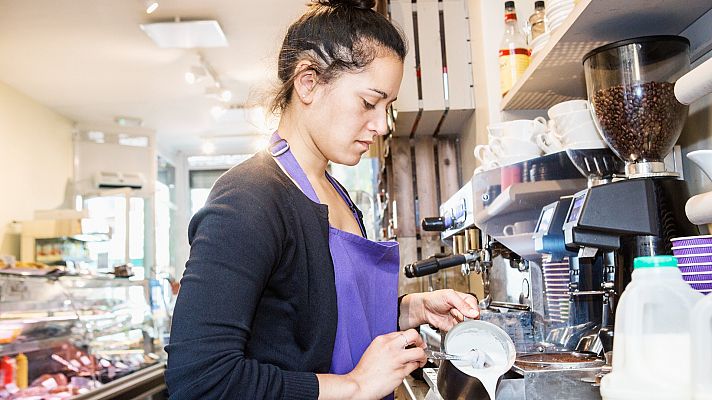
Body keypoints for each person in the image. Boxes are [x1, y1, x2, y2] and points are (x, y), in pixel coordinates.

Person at [165, 0, 480, 399]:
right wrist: (354, 386)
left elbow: (317, 320)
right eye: (369, 102)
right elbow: (200, 380)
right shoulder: (249, 198)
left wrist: (408, 309)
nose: (381, 125)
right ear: (308, 82)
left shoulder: (337, 194)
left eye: (388, 107)